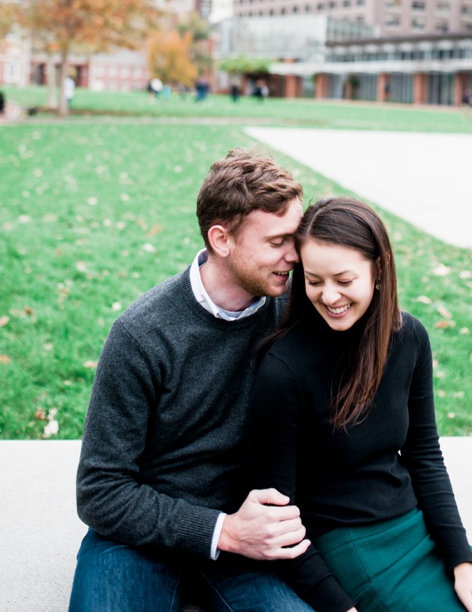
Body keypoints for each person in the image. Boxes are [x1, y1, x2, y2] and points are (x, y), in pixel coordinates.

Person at [246, 197, 472, 612]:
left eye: (343, 279)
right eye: (314, 280)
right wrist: (341, 607)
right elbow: (279, 520)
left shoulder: (408, 337)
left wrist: (462, 563)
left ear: (378, 271)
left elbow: (424, 455)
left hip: (415, 527)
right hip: (350, 545)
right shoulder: (284, 369)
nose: (329, 295)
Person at [71, 147, 316, 612]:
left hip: (251, 537)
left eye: (296, 237)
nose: (295, 256)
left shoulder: (293, 311)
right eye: (277, 242)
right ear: (221, 239)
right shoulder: (142, 333)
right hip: (139, 538)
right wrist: (221, 531)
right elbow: (100, 490)